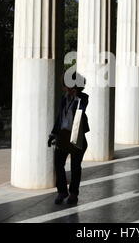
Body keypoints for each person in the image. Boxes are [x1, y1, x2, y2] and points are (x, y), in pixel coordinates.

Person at [48, 72, 89, 205]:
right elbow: (60, 117)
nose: (63, 88)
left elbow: (81, 109)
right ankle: (62, 191)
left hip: (77, 137)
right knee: (58, 164)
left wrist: (76, 94)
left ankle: (73, 194)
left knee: (75, 167)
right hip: (63, 135)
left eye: (65, 85)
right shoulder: (64, 98)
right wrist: (53, 134)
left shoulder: (82, 98)